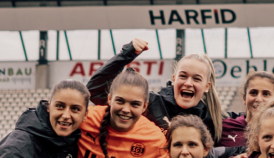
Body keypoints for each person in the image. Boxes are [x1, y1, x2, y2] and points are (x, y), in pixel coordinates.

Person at [93, 39, 227, 139]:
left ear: (207, 86)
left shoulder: (215, 120)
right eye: (183, 76)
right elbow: (95, 91)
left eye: (196, 79)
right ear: (174, 79)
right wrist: (127, 54)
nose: (188, 83)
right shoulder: (150, 103)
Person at [220, 70, 274, 148]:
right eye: (253, 93)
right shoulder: (225, 127)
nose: (259, 99)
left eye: (266, 94)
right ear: (244, 98)